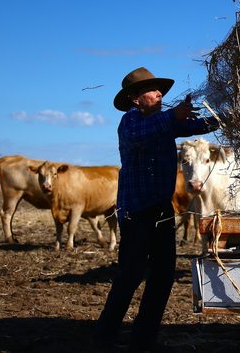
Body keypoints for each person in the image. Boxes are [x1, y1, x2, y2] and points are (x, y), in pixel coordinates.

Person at [93, 67, 222, 352]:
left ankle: (143, 337)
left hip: (161, 211)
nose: (159, 93)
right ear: (135, 99)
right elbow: (145, 133)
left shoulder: (166, 122)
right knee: (130, 274)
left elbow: (201, 125)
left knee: (163, 276)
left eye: (159, 89)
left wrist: (224, 111)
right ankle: (104, 335)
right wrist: (172, 117)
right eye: (152, 90)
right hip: (136, 213)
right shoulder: (130, 122)